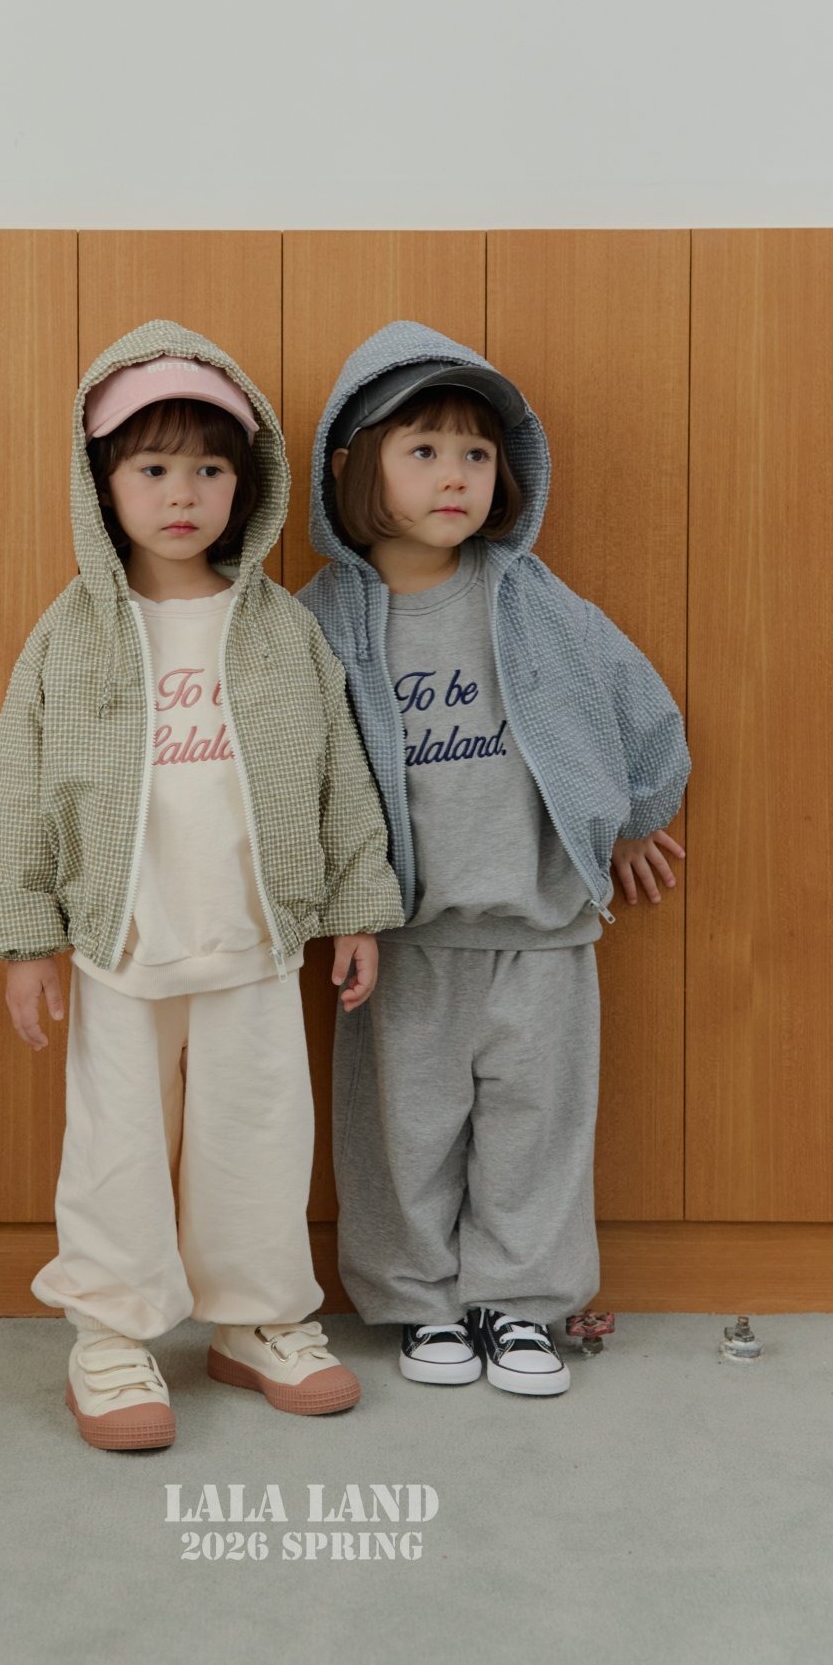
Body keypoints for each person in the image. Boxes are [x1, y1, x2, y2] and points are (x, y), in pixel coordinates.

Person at [0, 318, 403, 1452]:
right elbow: (16, 786)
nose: (182, 494)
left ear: (244, 486)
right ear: (102, 484)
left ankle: (255, 1322)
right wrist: (23, 935)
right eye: (152, 468)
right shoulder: (70, 637)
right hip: (121, 945)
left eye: (209, 470)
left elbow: (340, 776)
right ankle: (110, 1335)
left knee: (258, 1135)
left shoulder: (280, 632)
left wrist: (356, 906)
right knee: (115, 1145)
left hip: (256, 939)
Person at [297, 320, 691, 1397]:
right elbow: (293, 765)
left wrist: (633, 813)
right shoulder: (321, 620)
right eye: (423, 450)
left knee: (536, 1125)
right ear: (356, 468)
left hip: (539, 929)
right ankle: (418, 1302)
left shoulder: (525, 596)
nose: (455, 476)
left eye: (476, 453)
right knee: (400, 1135)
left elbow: (630, 696)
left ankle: (521, 1304)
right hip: (398, 941)